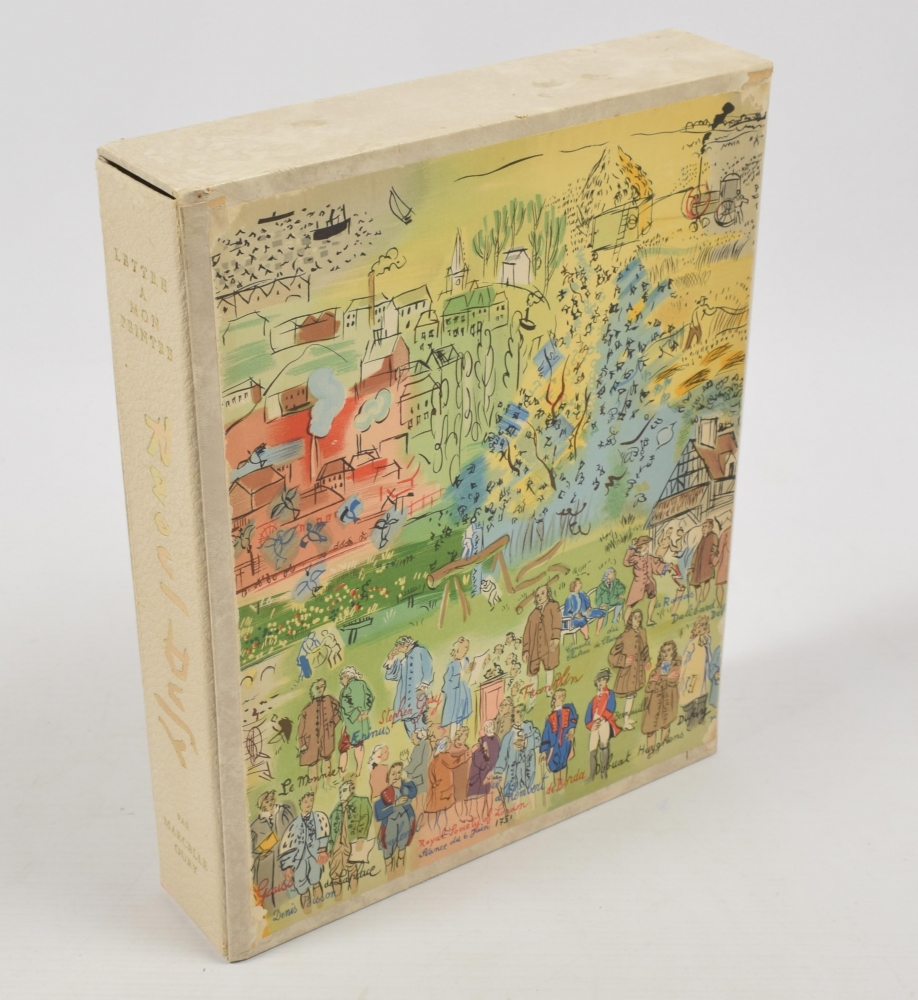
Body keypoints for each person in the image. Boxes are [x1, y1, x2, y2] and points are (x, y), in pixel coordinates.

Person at [278, 793, 330, 910]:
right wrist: (288, 866)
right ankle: (307, 910)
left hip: (314, 857)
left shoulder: (319, 818)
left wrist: (322, 850)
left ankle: (321, 906)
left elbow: (324, 833)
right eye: (305, 801)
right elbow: (287, 846)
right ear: (300, 804)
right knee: (301, 886)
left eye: (311, 800)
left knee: (316, 880)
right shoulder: (294, 826)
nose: (309, 804)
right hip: (299, 861)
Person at [250, 790, 295, 911]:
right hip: (266, 865)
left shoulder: (281, 814)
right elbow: (250, 850)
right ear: (262, 804)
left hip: (281, 860)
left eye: (271, 799)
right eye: (266, 801)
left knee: (285, 891)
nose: (270, 802)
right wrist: (259, 856)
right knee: (268, 894)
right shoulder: (255, 825)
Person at [608, 608, 652, 730]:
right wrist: (623, 660)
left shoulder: (642, 632)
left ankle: (627, 719)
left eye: (639, 617)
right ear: (630, 620)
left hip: (638, 671)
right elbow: (612, 656)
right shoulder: (624, 636)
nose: (638, 620)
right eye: (635, 617)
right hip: (627, 672)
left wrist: (647, 661)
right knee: (629, 696)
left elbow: (645, 649)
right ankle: (624, 721)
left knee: (632, 695)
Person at [327, 780, 372, 897]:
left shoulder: (361, 802)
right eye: (340, 792)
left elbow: (365, 818)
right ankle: (338, 897)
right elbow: (331, 830)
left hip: (351, 842)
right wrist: (329, 848)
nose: (341, 794)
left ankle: (354, 893)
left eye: (344, 790)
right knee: (334, 873)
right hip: (338, 845)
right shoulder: (336, 809)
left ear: (351, 790)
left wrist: (361, 838)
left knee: (351, 868)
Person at [384, 635, 433, 735]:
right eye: (398, 646)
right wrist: (391, 659)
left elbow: (428, 667)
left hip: (418, 698)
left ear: (407, 643)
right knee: (410, 729)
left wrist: (424, 683)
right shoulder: (403, 660)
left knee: (421, 726)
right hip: (405, 703)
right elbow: (391, 676)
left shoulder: (420, 651)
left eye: (400, 645)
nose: (398, 648)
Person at [374, 762, 418, 873]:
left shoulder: (405, 788)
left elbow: (413, 792)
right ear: (388, 776)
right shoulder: (384, 793)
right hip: (390, 825)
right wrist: (395, 805)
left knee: (402, 847)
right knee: (388, 851)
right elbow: (379, 814)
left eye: (399, 773)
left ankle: (400, 870)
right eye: (393, 774)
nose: (396, 776)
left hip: (404, 822)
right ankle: (390, 873)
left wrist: (402, 786)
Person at [296, 679, 341, 786]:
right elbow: (301, 728)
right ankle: (314, 789)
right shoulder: (307, 709)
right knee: (312, 764)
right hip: (311, 740)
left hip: (326, 737)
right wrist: (302, 743)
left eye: (322, 686)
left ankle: (327, 785)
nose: (321, 689)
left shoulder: (329, 700)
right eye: (317, 687)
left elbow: (339, 711)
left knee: (327, 759)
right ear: (313, 690)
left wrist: (332, 723)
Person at [493, 705, 541, 800]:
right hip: (514, 772)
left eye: (522, 711)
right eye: (517, 712)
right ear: (513, 715)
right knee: (516, 798)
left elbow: (538, 740)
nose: (521, 714)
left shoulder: (530, 729)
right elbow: (503, 756)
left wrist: (526, 743)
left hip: (528, 769)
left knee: (531, 793)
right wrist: (498, 772)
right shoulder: (508, 737)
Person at [642, 641, 681, 756]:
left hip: (668, 700)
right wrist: (664, 679)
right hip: (655, 702)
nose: (666, 653)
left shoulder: (676, 666)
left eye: (669, 650)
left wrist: (659, 680)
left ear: (673, 652)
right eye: (663, 651)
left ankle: (664, 746)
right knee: (651, 728)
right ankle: (650, 750)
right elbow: (649, 687)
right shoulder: (655, 670)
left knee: (666, 723)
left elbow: (672, 680)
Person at [425, 737, 471, 831]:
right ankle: (444, 829)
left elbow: (430, 774)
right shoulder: (444, 756)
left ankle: (437, 828)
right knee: (444, 810)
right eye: (449, 745)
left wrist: (434, 783)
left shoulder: (435, 759)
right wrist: (467, 754)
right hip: (444, 787)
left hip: (437, 787)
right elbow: (455, 762)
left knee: (438, 810)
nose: (451, 747)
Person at [522, 584, 562, 692]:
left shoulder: (553, 606)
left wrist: (556, 637)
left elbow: (557, 622)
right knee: (533, 670)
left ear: (548, 594)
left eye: (542, 593)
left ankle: (548, 690)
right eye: (537, 595)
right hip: (535, 648)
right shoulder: (533, 615)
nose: (539, 597)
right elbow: (526, 634)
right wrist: (526, 650)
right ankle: (533, 694)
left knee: (549, 667)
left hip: (548, 645)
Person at [337, 665, 374, 777]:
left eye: (342, 678)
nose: (341, 681)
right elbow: (370, 698)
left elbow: (345, 707)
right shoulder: (363, 684)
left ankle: (341, 773)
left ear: (347, 676)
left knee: (343, 748)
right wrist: (365, 711)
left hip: (350, 724)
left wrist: (356, 713)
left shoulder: (345, 690)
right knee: (359, 744)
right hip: (362, 723)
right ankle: (358, 769)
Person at [584, 669, 621, 781]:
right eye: (598, 680)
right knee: (592, 749)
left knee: (604, 745)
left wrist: (602, 718)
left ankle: (604, 772)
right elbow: (588, 715)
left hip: (604, 722)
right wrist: (591, 725)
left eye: (603, 680)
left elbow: (611, 707)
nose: (600, 682)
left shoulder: (610, 694)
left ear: (606, 681)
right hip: (594, 725)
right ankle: (591, 775)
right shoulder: (594, 699)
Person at [623, 535, 666, 625]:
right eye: (645, 544)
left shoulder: (649, 557)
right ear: (640, 546)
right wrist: (632, 548)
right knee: (631, 605)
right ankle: (626, 624)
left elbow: (656, 564)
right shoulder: (636, 557)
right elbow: (626, 562)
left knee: (653, 598)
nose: (646, 546)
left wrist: (667, 567)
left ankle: (649, 620)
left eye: (647, 544)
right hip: (639, 584)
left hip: (649, 582)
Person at [679, 615, 713, 729]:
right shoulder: (693, 643)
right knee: (690, 698)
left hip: (702, 676)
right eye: (701, 625)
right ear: (697, 628)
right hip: (692, 676)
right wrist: (683, 677)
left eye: (705, 625)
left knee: (701, 697)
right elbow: (685, 661)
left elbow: (709, 658)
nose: (704, 627)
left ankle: (699, 723)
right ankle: (690, 724)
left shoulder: (707, 641)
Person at [540, 688, 578, 786]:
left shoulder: (568, 710)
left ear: (562, 698)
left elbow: (573, 720)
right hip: (554, 746)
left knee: (563, 764)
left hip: (565, 743)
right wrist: (544, 751)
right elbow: (546, 734)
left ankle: (563, 785)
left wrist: (572, 728)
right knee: (555, 766)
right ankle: (558, 787)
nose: (554, 700)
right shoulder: (550, 718)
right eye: (554, 697)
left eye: (556, 697)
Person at [467, 721, 501, 821]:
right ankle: (483, 817)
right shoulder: (487, 740)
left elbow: (492, 756)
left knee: (486, 795)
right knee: (484, 796)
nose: (480, 731)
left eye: (482, 729)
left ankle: (484, 817)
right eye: (483, 728)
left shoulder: (491, 740)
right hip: (484, 771)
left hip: (487, 772)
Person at [441, 637, 473, 739]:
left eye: (467, 648)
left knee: (461, 719)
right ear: (458, 649)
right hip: (455, 697)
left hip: (464, 696)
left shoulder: (466, 661)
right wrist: (463, 673)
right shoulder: (452, 665)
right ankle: (452, 740)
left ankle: (459, 739)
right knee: (454, 720)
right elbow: (447, 683)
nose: (466, 650)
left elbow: (469, 675)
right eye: (465, 647)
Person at [689, 520, 719, 608]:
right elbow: (697, 551)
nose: (703, 528)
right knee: (696, 583)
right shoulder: (703, 537)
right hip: (699, 564)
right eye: (703, 526)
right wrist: (693, 566)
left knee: (706, 580)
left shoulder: (713, 536)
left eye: (705, 526)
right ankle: (697, 601)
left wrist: (710, 558)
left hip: (707, 563)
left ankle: (703, 600)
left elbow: (715, 548)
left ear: (710, 527)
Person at [404, 727, 431, 812]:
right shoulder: (422, 745)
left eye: (413, 739)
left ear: (419, 737)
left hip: (419, 778)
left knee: (418, 800)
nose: (412, 741)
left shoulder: (421, 745)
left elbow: (418, 762)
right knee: (418, 801)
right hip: (419, 777)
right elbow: (415, 762)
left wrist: (406, 771)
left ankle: (419, 817)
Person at [714, 517, 731, 608]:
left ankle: (720, 604)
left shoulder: (725, 533)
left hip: (724, 562)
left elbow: (719, 551)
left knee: (720, 584)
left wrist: (713, 563)